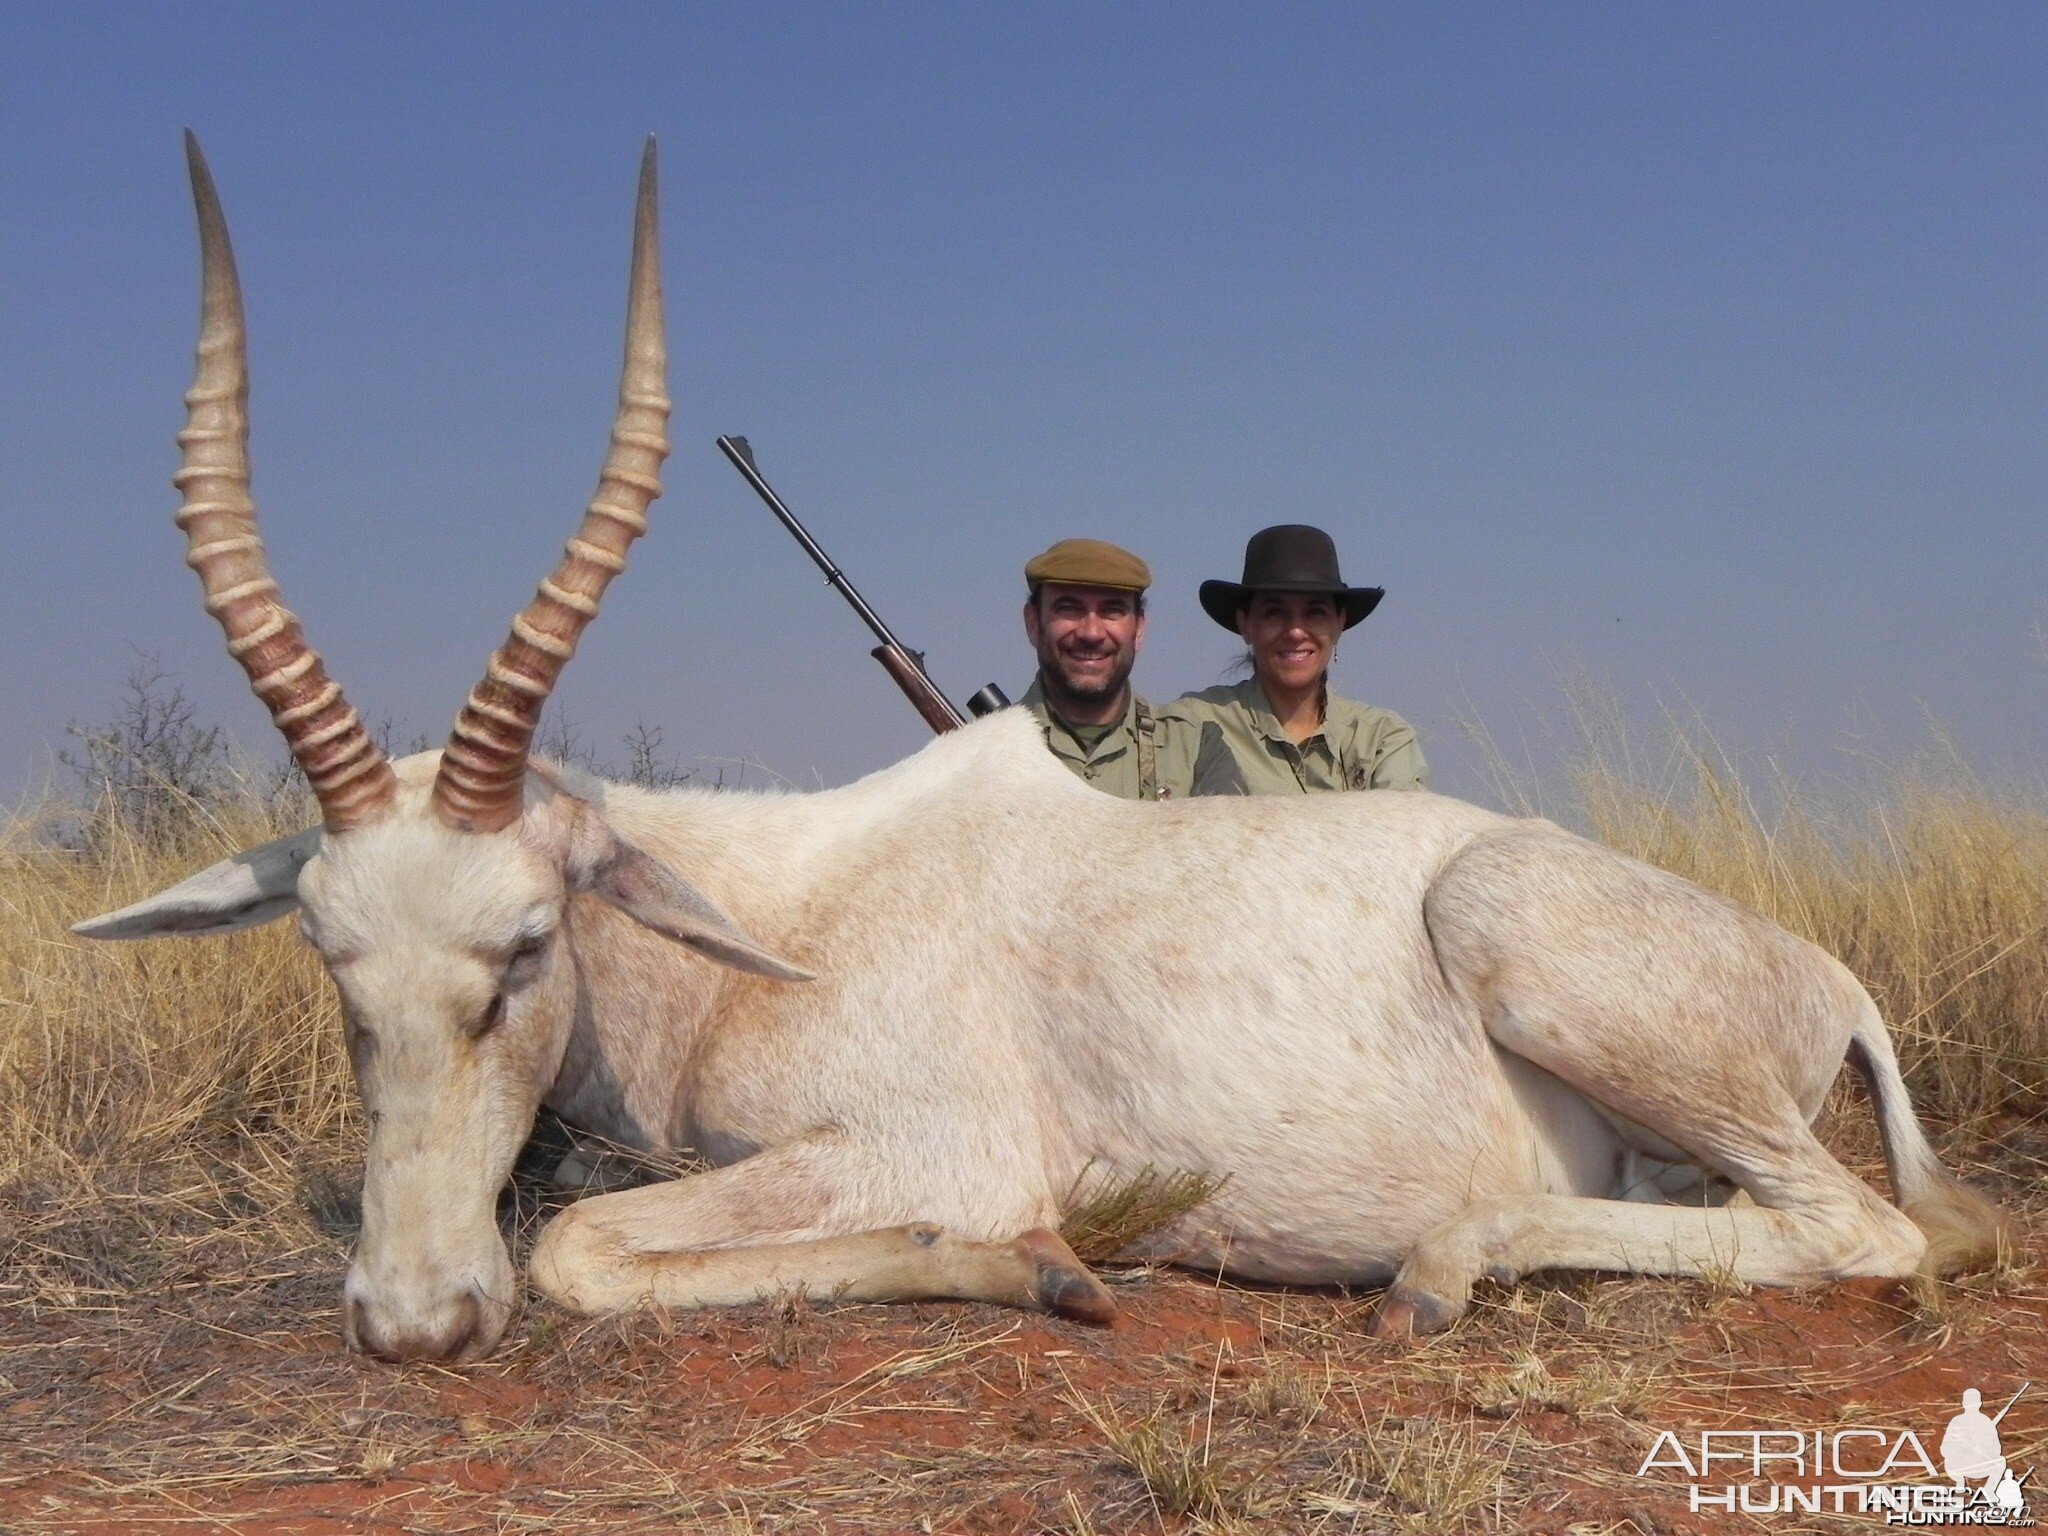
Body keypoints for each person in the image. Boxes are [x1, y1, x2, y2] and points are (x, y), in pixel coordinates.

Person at [1160, 524, 1427, 794]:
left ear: (1339, 624)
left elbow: (1404, 830)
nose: (1296, 631)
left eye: (1315, 613)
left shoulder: (1382, 738)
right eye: (1275, 612)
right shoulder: (1191, 725)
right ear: (1245, 624)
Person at [1018, 539, 1244, 800]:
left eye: (1112, 610)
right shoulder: (982, 751)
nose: (1091, 633)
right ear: (1033, 622)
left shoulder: (1195, 747)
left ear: (1138, 629)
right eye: (1068, 608)